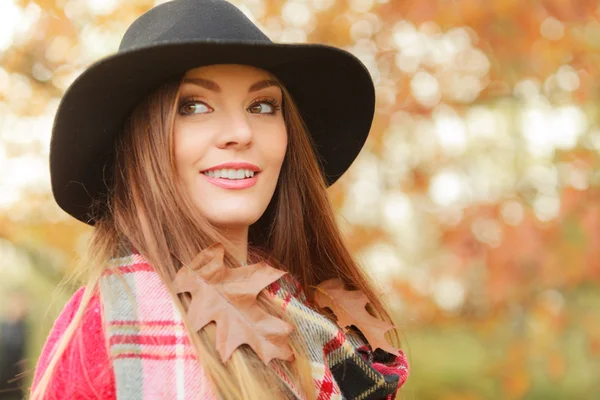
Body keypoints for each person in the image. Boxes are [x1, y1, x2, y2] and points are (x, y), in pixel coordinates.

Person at [31, 0, 408, 399]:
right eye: (194, 107)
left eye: (262, 106)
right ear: (142, 145)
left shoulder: (315, 324)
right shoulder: (105, 325)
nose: (241, 132)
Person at [0, 291, 28, 400]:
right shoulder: (4, 325)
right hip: (2, 369)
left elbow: (24, 354)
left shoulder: (24, 327)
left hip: (15, 374)